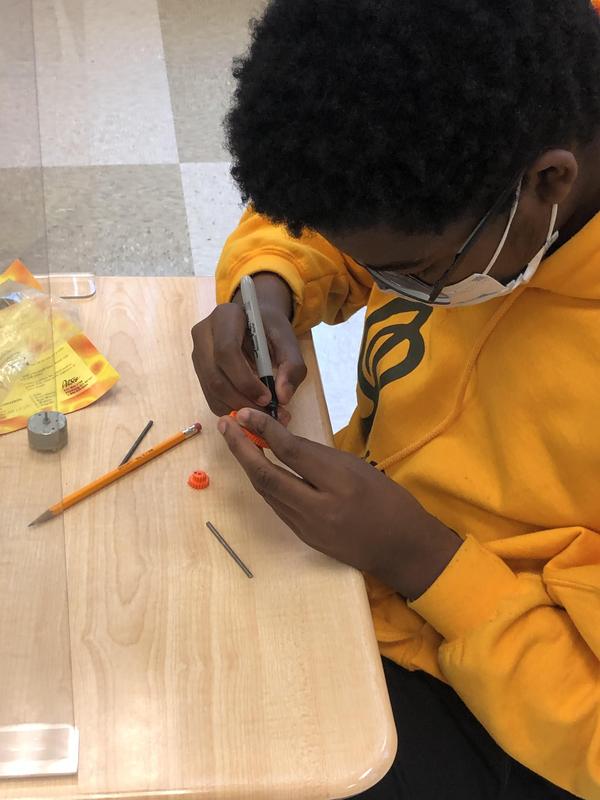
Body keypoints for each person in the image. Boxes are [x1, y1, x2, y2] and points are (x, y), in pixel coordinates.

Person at [190, 1, 600, 797]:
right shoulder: (464, 126)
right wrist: (271, 282)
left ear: (547, 180)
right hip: (374, 576)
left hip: (517, 710)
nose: (383, 282)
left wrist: (421, 559)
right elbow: (341, 194)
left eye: (411, 270)